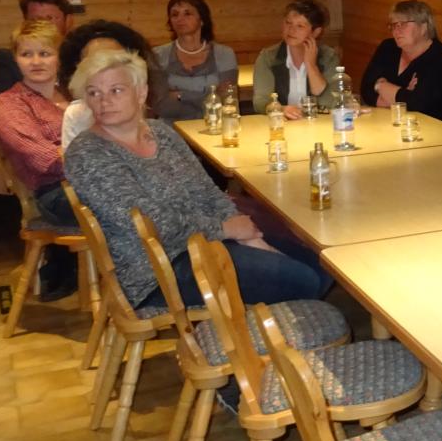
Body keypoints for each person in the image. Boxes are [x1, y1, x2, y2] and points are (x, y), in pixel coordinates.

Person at [64, 48, 328, 311]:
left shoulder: (161, 133)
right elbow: (150, 225)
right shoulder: (88, 153)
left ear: (141, 93)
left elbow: (207, 192)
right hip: (157, 271)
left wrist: (247, 236)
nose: (104, 101)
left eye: (116, 90)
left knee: (322, 265)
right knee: (303, 280)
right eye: (93, 93)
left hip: (204, 243)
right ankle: (266, 331)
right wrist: (226, 229)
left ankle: (277, 325)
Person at [0, 19, 77, 299]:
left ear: (58, 57)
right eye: (26, 54)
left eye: (45, 53)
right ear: (16, 59)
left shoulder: (76, 93)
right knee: (134, 207)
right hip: (54, 193)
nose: (36, 61)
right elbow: (43, 158)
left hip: (94, 181)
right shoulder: (9, 103)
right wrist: (99, 162)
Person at [58, 19, 168, 151]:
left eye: (114, 60)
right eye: (95, 62)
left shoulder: (161, 130)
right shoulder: (76, 114)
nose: (105, 68)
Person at [359, 0, 442, 125]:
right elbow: (366, 89)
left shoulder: (440, 57)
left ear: (424, 27)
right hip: (395, 123)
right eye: (394, 25)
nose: (397, 30)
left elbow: (417, 103)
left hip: (440, 128)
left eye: (403, 24)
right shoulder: (388, 48)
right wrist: (401, 96)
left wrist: (380, 85)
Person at [153, 0, 239, 121]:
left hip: (213, 124)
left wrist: (180, 95)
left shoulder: (224, 54)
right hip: (171, 127)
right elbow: (162, 106)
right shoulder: (158, 55)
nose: (180, 19)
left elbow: (227, 101)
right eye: (175, 15)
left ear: (202, 20)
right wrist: (210, 95)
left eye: (187, 14)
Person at [252, 0, 340, 119]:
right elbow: (260, 102)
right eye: (288, 23)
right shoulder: (268, 57)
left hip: (318, 123)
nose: (291, 30)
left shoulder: (328, 57)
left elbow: (329, 102)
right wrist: (281, 109)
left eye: (300, 26)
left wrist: (311, 66)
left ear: (316, 32)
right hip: (281, 123)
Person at [0, 0, 71, 97]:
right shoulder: (8, 60)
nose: (43, 25)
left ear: (67, 21)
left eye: (49, 18)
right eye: (36, 20)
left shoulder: (78, 55)